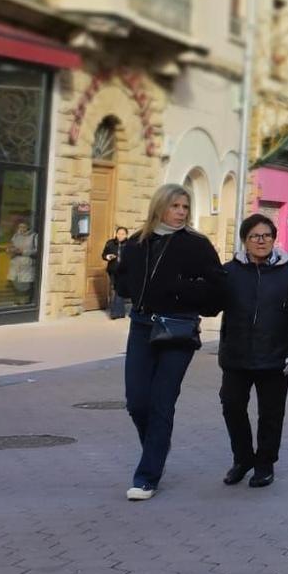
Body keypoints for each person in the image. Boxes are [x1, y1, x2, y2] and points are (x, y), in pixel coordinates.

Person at [114, 184, 226, 501]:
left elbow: (218, 287)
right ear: (159, 207)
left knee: (162, 402)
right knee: (137, 401)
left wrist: (182, 291)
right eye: (175, 206)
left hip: (177, 328)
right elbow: (122, 282)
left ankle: (147, 476)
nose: (180, 212)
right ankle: (156, 446)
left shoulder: (197, 245)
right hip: (141, 326)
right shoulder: (137, 243)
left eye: (185, 207)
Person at [216, 213, 288, 487]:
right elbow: (211, 302)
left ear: (274, 238)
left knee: (270, 414)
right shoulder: (230, 271)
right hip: (236, 355)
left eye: (267, 236)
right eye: (255, 236)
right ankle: (243, 458)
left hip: (276, 357)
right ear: (245, 240)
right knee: (232, 407)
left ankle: (265, 463)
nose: (261, 241)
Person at [7, 217, 38, 301]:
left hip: (26, 266)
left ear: (28, 227)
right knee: (15, 286)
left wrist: (23, 251)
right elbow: (10, 246)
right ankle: (17, 302)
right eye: (20, 227)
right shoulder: (16, 236)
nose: (22, 229)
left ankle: (25, 303)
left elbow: (37, 251)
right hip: (15, 266)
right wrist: (10, 250)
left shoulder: (34, 236)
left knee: (25, 287)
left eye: (24, 227)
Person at [102, 227, 130, 318]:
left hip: (124, 271)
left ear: (126, 235)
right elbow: (103, 255)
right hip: (113, 270)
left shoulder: (130, 244)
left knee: (119, 289)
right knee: (116, 289)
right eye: (119, 233)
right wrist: (108, 257)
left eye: (122, 234)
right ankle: (120, 312)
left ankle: (115, 313)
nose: (120, 236)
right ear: (116, 234)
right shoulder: (110, 243)